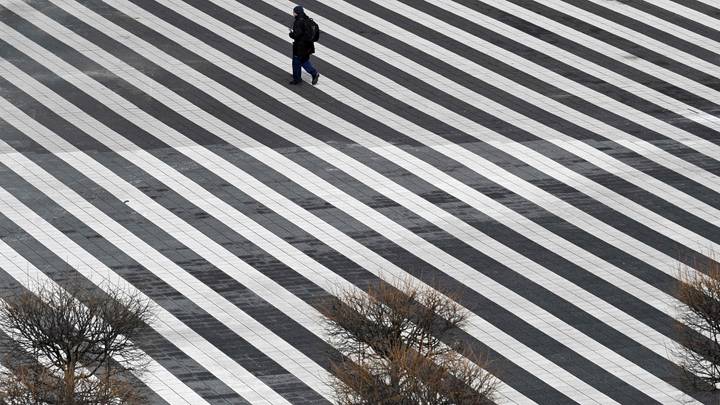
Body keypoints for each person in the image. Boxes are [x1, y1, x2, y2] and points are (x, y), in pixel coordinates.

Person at [289, 6, 319, 85]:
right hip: (308, 45)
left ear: (296, 13)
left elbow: (297, 34)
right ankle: (314, 73)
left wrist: (291, 34)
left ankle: (297, 79)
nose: (293, 13)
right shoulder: (307, 19)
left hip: (300, 46)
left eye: (294, 12)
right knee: (304, 60)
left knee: (296, 62)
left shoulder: (298, 22)